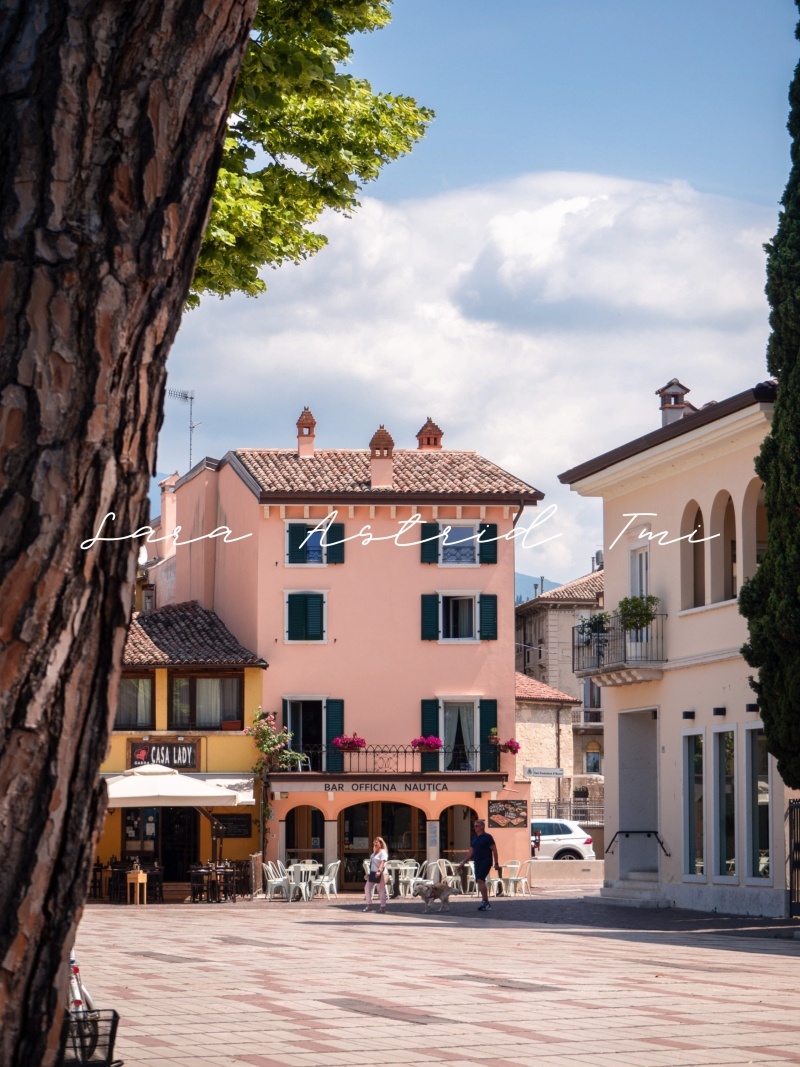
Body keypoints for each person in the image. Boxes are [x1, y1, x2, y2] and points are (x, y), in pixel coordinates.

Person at [458, 818, 500, 911]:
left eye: (476, 826)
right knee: (479, 880)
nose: (475, 828)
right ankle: (485, 901)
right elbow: (471, 851)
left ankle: (485, 902)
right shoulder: (474, 838)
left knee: (481, 879)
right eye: (474, 826)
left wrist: (496, 863)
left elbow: (494, 850)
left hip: (486, 860)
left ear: (481, 827)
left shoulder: (488, 837)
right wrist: (463, 862)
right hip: (477, 861)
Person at [363, 836, 389, 913]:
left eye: (376, 842)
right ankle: (369, 905)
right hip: (373, 873)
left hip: (380, 873)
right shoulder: (374, 853)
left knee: (380, 890)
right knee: (367, 888)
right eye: (374, 842)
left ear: (381, 844)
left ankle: (382, 907)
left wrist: (379, 871)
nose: (375, 843)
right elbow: (372, 864)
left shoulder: (383, 852)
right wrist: (369, 873)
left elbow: (382, 862)